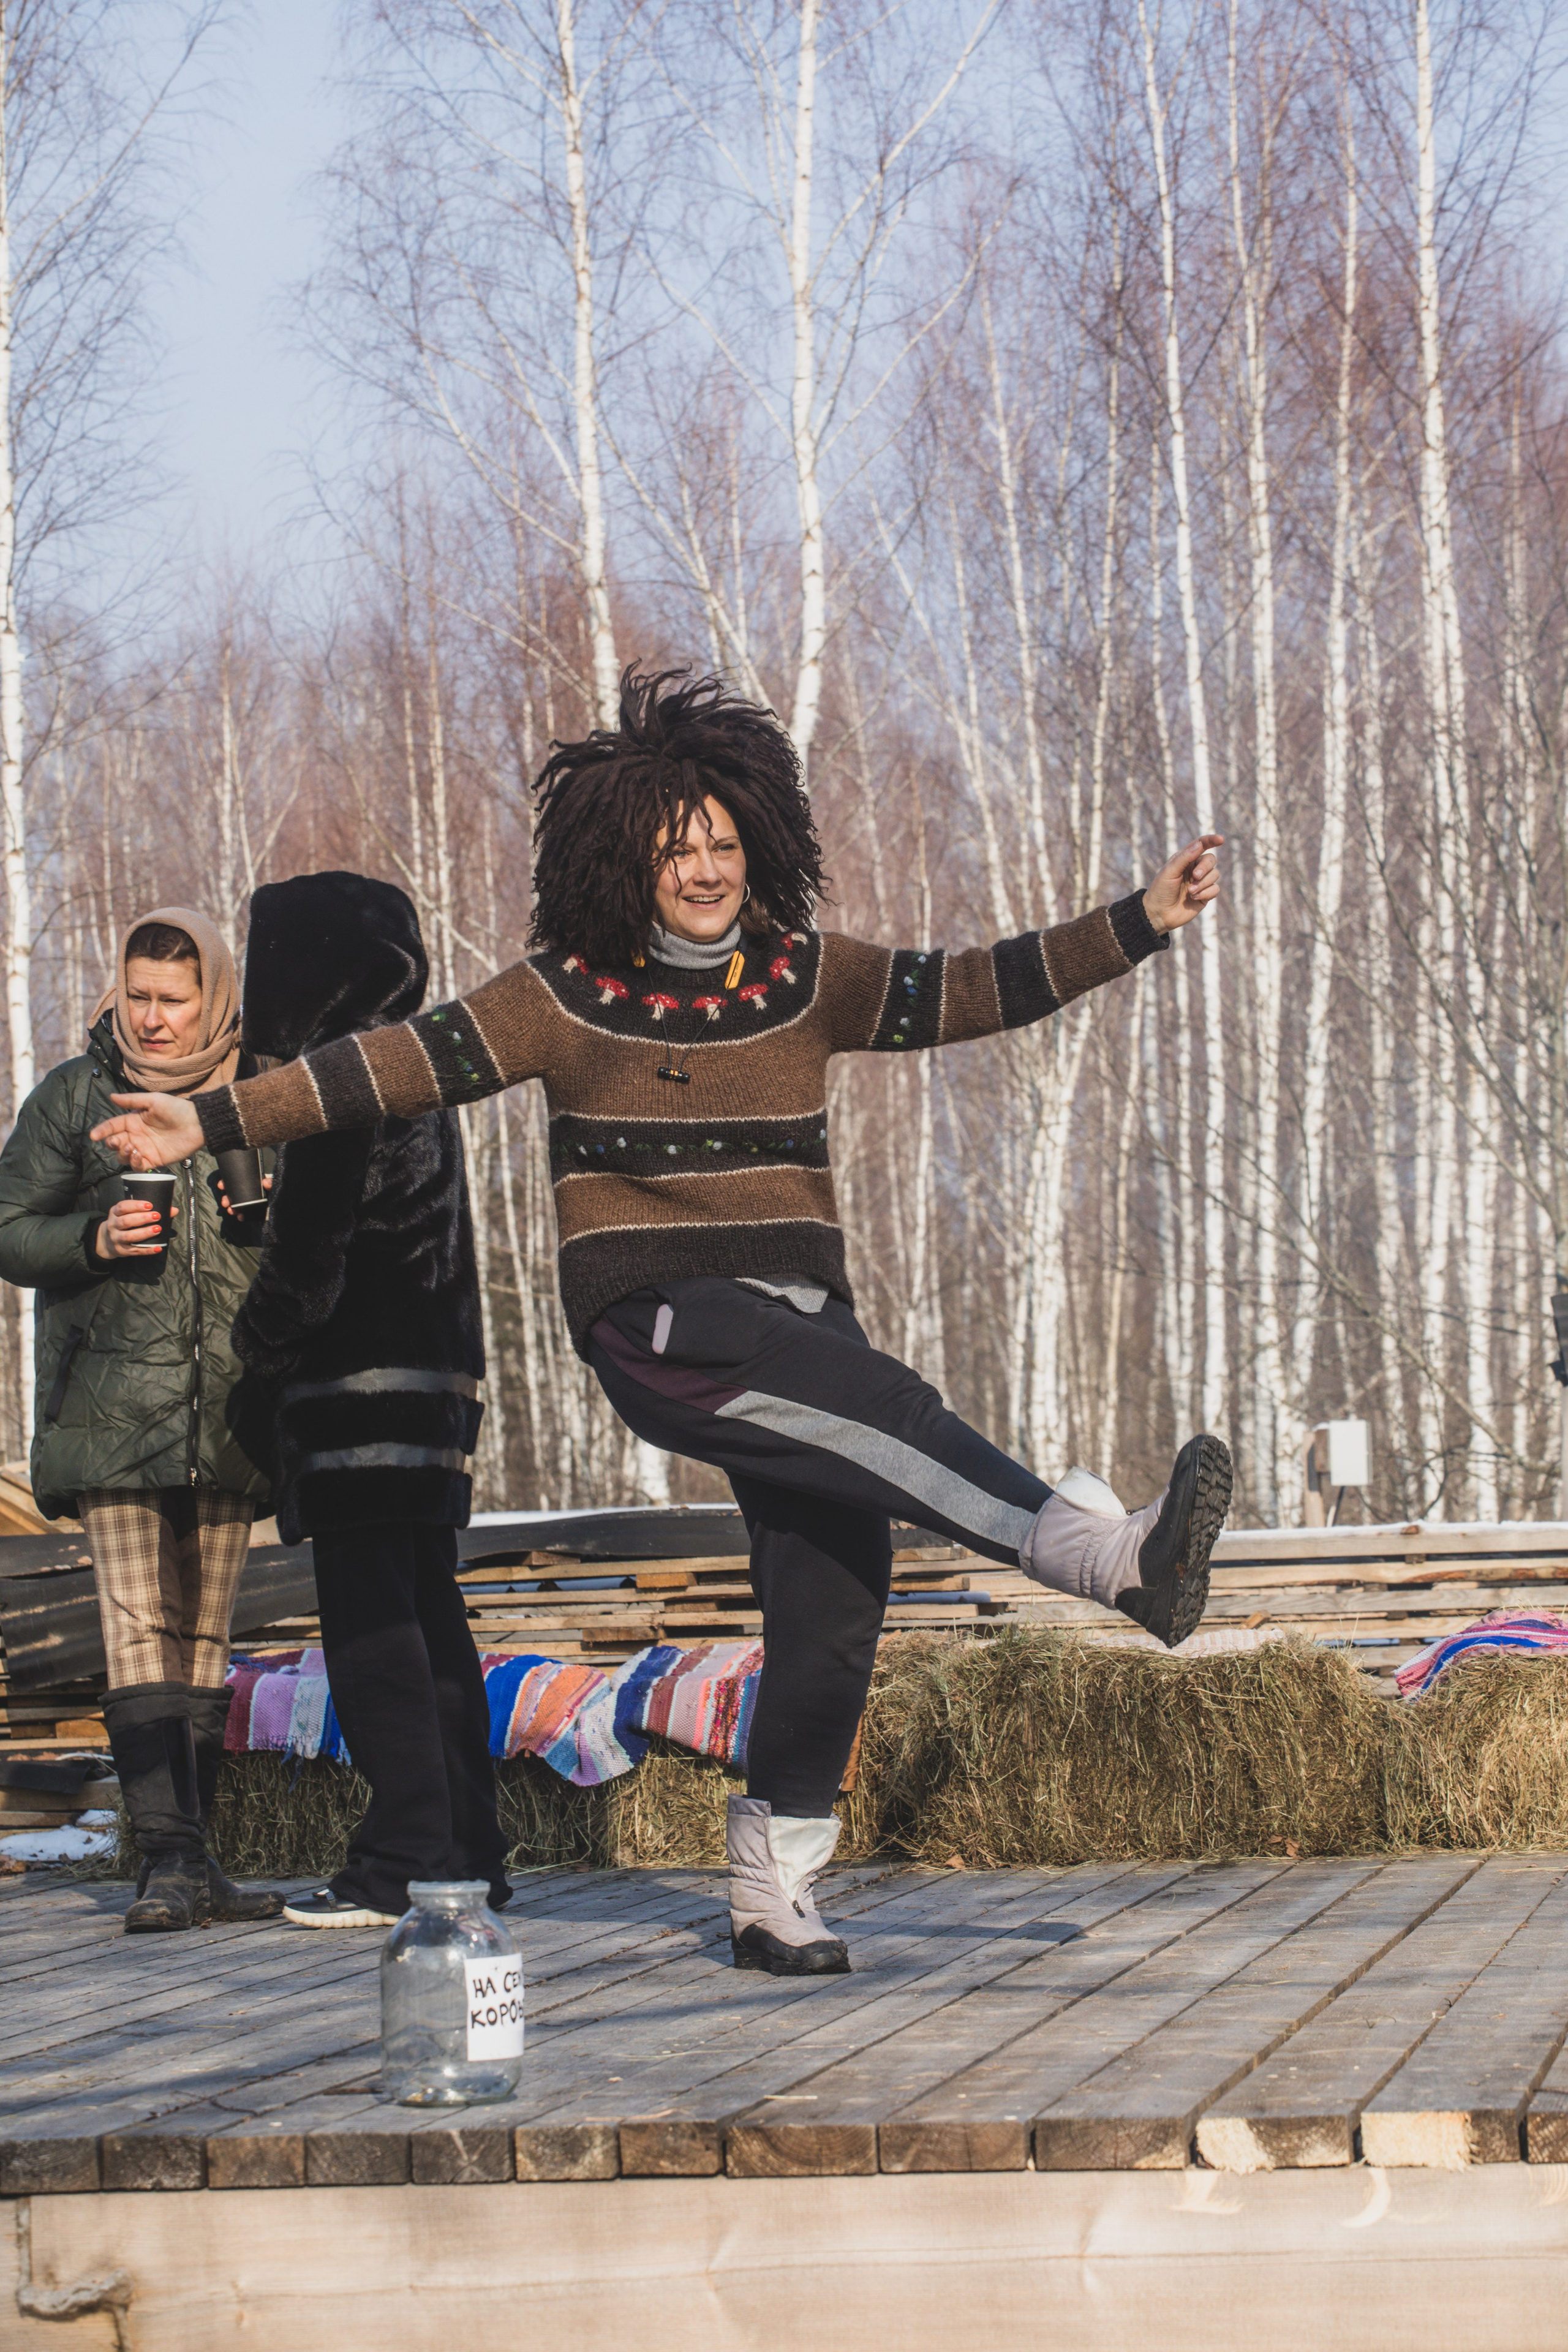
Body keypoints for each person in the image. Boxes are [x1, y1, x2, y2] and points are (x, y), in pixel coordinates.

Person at [94, 670, 1229, 1977]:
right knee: (898, 1409)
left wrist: (1139, 921)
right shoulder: (564, 996)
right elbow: (388, 1067)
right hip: (660, 1315)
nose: (703, 869)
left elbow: (970, 987)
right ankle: (1092, 1555)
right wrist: (209, 1119)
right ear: (624, 858)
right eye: (676, 847)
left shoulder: (806, 978)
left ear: (760, 845)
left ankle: (772, 1882)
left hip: (798, 1314)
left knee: (834, 1586)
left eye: (723, 843)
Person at [224, 872, 507, 1929]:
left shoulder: (337, 1077)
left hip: (357, 1393)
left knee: (373, 1632)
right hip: (432, 1387)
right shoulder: (413, 1065)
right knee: (432, 1622)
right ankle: (467, 1852)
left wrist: (257, 1354)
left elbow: (312, 1257)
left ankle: (402, 1864)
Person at [0, 909, 281, 1932]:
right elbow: (9, 1228)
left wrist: (273, 1218)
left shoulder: (262, 1095)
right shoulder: (75, 1096)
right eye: (136, 996)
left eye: (173, 1000)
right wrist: (94, 1237)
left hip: (233, 1404)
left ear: (214, 999)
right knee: (138, 1629)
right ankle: (165, 1861)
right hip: (111, 1406)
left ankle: (198, 1863)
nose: (152, 1019)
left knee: (205, 1636)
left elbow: (324, 1238)